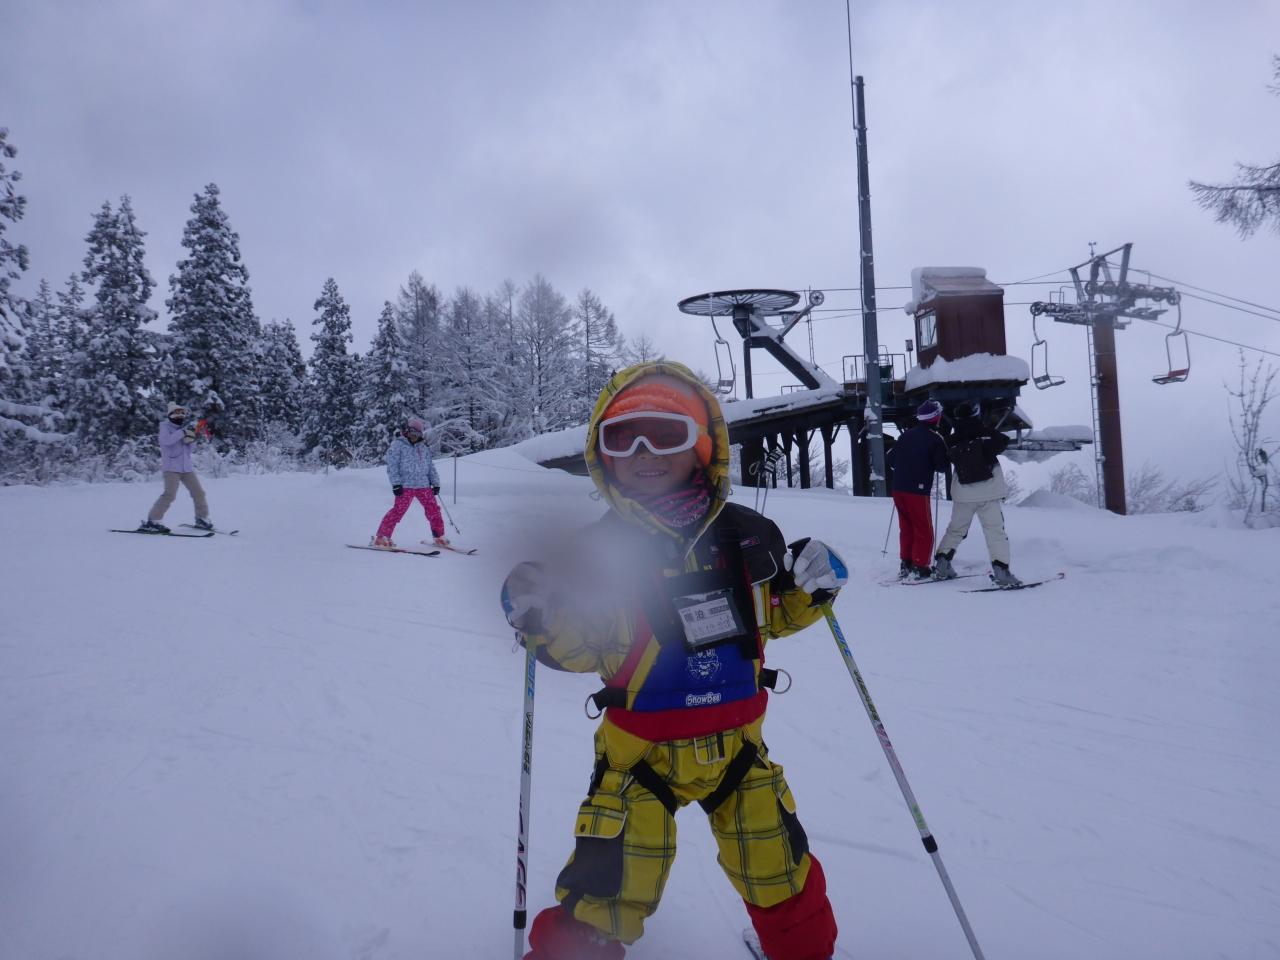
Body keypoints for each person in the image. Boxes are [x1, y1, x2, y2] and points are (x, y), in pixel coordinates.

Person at [501, 361, 845, 960]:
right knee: (608, 888)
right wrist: (545, 618)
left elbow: (771, 615)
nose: (644, 454)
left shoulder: (744, 538)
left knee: (779, 871)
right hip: (640, 758)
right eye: (623, 439)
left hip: (739, 751)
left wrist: (812, 586)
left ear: (703, 446)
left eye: (666, 435)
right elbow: (581, 644)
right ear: (602, 455)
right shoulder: (597, 555)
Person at [933, 401, 1021, 586]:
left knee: (956, 529)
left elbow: (943, 456)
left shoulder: (952, 440)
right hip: (989, 492)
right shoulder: (987, 434)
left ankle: (942, 564)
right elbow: (1003, 442)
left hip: (963, 494)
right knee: (995, 532)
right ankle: (1001, 571)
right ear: (975, 415)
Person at [885, 399, 949, 580]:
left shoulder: (906, 435)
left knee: (906, 527)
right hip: (917, 490)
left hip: (898, 488)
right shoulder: (935, 439)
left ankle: (906, 563)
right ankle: (920, 566)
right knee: (923, 528)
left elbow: (890, 460)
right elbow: (942, 466)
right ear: (935, 417)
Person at [373, 416, 446, 548]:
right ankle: (381, 537)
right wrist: (396, 484)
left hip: (423, 485)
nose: (415, 436)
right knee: (397, 511)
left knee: (434, 510)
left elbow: (430, 467)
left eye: (418, 434)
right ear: (407, 431)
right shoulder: (398, 445)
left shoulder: (423, 448)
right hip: (405, 486)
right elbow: (392, 466)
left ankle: (439, 536)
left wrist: (435, 483)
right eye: (413, 432)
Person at [140, 402, 211, 533]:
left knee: (199, 493)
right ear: (170, 415)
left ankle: (202, 519)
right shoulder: (165, 428)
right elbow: (166, 441)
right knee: (169, 495)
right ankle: (153, 520)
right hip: (171, 468)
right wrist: (182, 433)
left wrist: (191, 441)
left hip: (186, 468)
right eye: (177, 413)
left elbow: (189, 451)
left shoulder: (182, 430)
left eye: (182, 414)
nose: (180, 416)